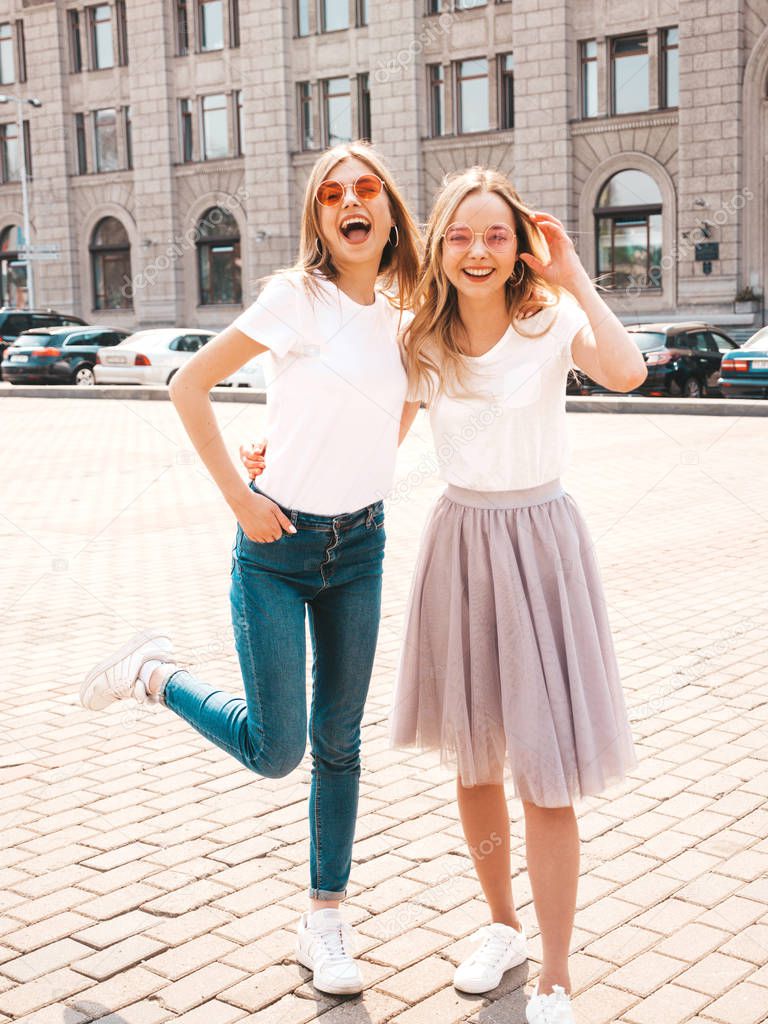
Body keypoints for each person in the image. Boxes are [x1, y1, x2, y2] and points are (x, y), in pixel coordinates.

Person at [244, 165, 644, 1023]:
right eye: (459, 235)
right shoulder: (418, 340)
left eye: (496, 235)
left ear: (520, 248)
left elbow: (626, 372)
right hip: (460, 545)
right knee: (475, 761)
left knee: (547, 771)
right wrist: (270, 460)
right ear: (438, 245)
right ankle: (502, 925)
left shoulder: (550, 321)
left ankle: (558, 975)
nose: (477, 251)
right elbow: (363, 432)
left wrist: (574, 274)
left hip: (540, 547)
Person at [79, 140, 422, 997]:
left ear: (388, 212)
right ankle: (156, 673)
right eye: (333, 191)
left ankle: (325, 923)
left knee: (339, 745)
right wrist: (241, 496)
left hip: (362, 546)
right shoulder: (293, 298)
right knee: (278, 752)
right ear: (320, 217)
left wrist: (336, 459)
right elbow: (189, 384)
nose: (350, 199)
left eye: (366, 188)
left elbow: (398, 414)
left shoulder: (411, 313)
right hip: (274, 547)